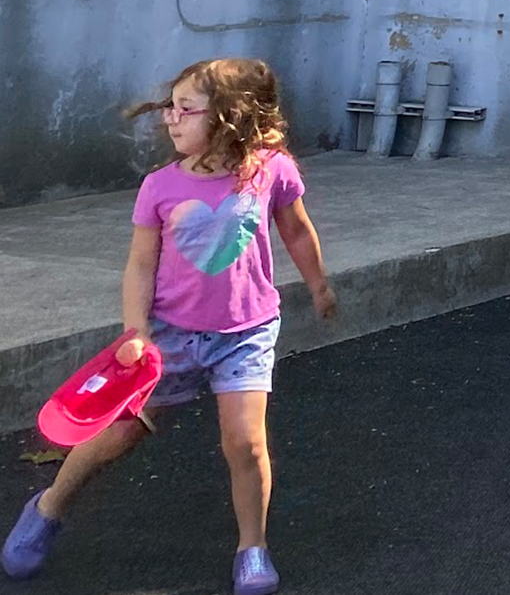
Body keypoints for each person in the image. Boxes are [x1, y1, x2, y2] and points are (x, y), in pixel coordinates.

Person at [6, 60, 335, 595]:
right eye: (169, 107)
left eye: (186, 109)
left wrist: (319, 283)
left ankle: (252, 548)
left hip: (247, 331)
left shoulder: (272, 170)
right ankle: (46, 507)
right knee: (120, 432)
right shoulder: (159, 186)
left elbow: (296, 230)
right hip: (169, 337)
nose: (171, 120)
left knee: (246, 443)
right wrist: (135, 331)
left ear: (229, 119)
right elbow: (139, 265)